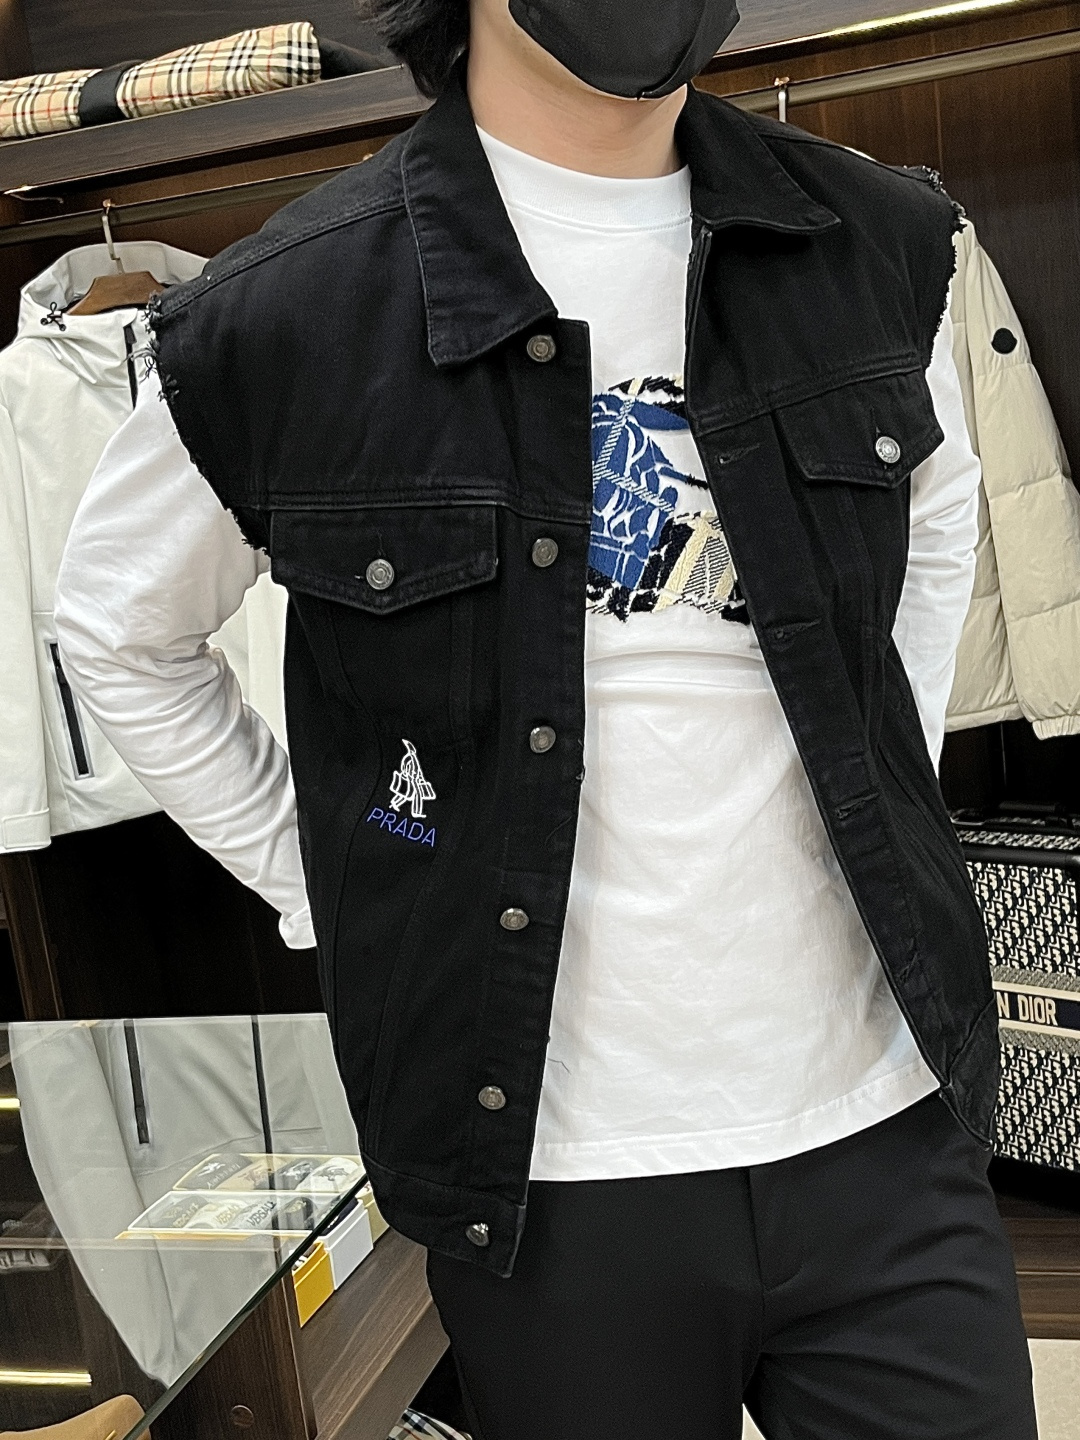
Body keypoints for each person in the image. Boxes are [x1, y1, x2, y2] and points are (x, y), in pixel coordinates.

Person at [55, 2, 1037, 1436]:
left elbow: (940, 512)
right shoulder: (284, 316)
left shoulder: (885, 243)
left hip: (888, 1118)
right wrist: (331, 875)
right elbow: (119, 632)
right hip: (546, 1175)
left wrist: (883, 772)